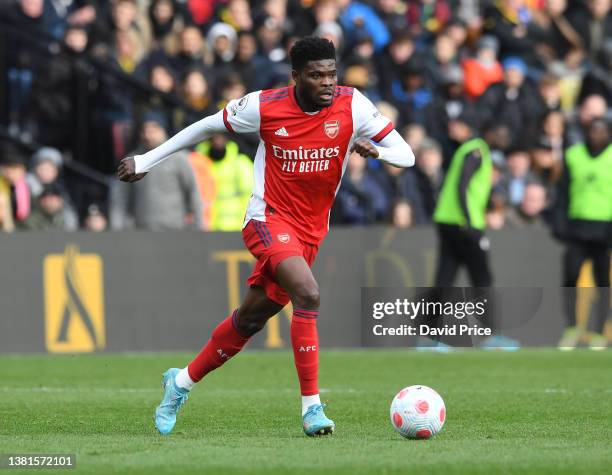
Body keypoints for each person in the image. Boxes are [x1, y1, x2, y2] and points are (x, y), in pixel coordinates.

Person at [117, 37, 414, 436]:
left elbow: (407, 155)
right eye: (316, 75)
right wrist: (147, 160)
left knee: (250, 319)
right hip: (267, 219)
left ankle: (181, 381)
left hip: (311, 231)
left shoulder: (353, 104)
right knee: (307, 294)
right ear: (296, 77)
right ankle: (312, 408)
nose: (327, 82)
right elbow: (205, 126)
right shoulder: (264, 106)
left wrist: (377, 153)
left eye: (331, 74)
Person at [555, 118, 611, 350]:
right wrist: (560, 224)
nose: (596, 135)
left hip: (605, 229)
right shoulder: (573, 155)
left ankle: (598, 332)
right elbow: (562, 192)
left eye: (601, 131)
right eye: (592, 130)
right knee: (570, 277)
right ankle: (572, 328)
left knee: (602, 283)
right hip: (577, 228)